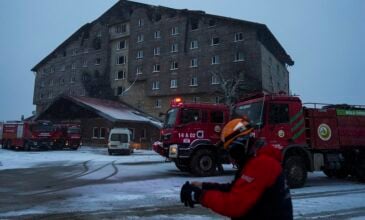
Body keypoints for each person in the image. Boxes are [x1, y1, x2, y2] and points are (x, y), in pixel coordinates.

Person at [180, 117, 293, 219]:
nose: (231, 159)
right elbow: (235, 188)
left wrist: (199, 196)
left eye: (232, 152)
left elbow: (234, 205)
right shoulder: (255, 161)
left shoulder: (262, 164)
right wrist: (203, 186)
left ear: (241, 146)